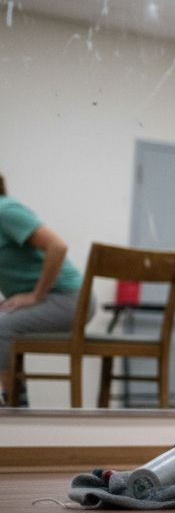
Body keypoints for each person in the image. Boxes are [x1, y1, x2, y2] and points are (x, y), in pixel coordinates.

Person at [0, 173, 85, 407]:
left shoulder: (5, 210)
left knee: (2, 326)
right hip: (52, 299)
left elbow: (57, 246)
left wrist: (36, 295)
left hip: (70, 298)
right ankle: (16, 400)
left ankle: (11, 402)